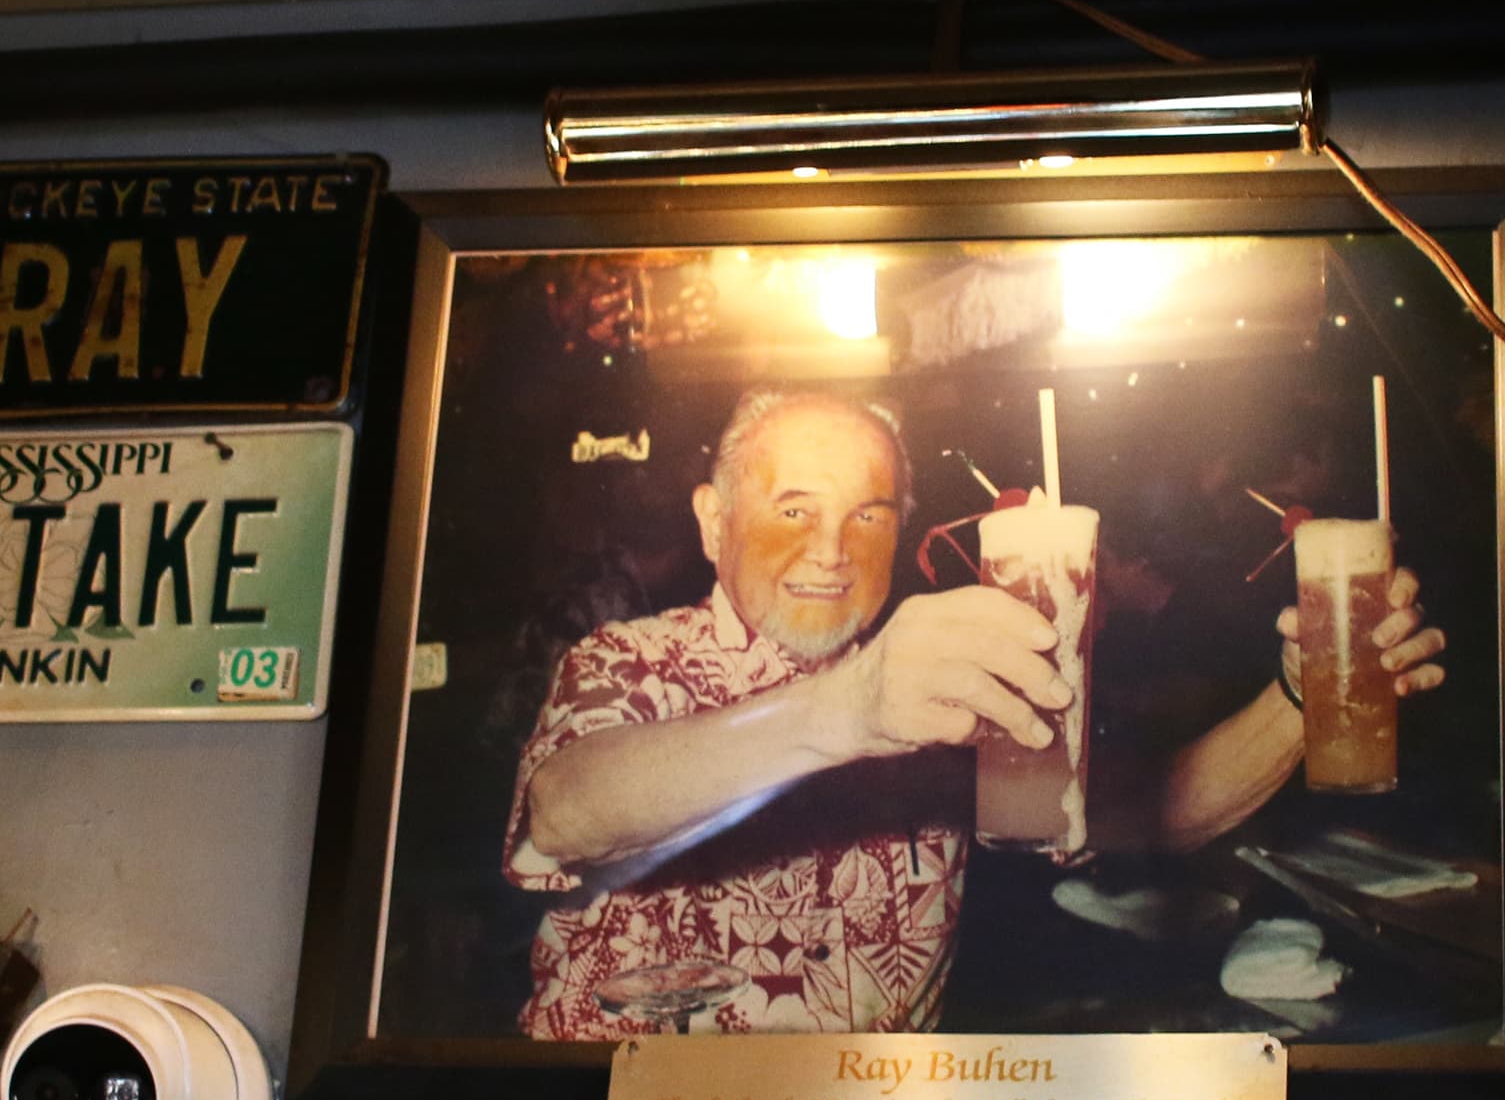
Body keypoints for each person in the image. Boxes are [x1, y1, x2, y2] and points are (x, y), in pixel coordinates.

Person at [504, 385, 1447, 1037]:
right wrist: (847, 712)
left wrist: (1299, 696)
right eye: (794, 509)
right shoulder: (629, 661)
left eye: (869, 514)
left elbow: (1154, 811)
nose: (833, 548)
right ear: (713, 522)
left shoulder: (939, 682)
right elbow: (569, 810)